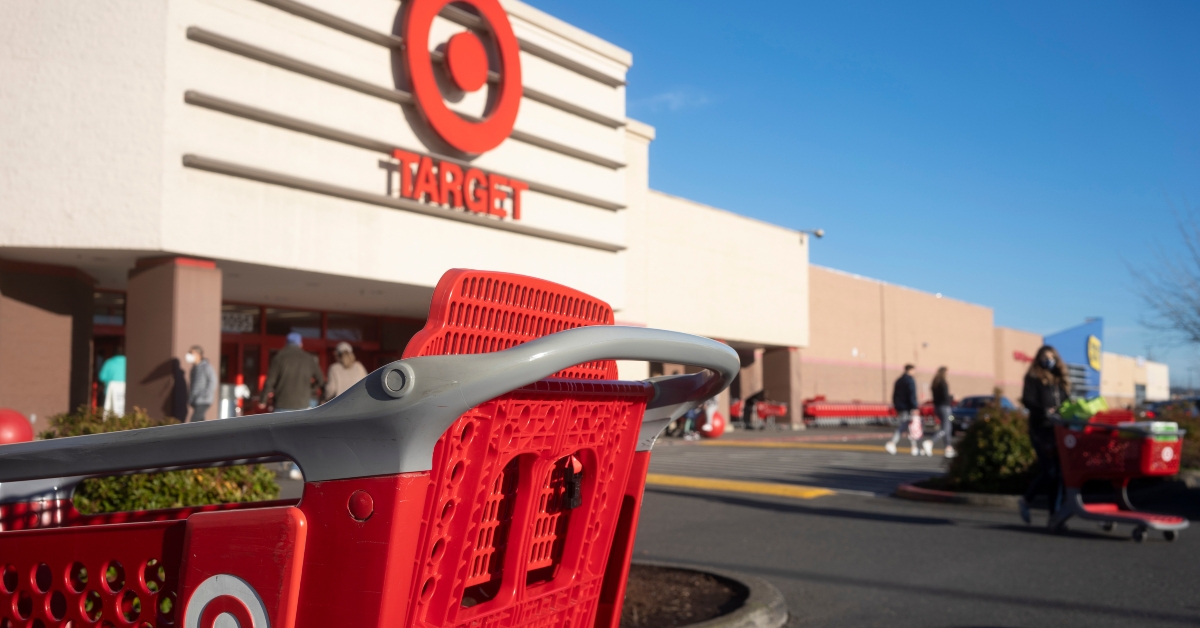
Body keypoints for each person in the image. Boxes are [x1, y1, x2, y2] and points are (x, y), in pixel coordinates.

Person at [1019, 345, 1071, 525]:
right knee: (1050, 471)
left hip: (1058, 429)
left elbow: (1066, 401)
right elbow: (1027, 400)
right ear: (1038, 359)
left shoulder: (1059, 379)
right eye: (1044, 357)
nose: (1047, 360)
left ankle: (1054, 516)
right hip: (1041, 429)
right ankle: (1027, 500)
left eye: (1051, 356)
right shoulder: (1033, 377)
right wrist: (1044, 411)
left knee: (1058, 473)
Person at [261, 332, 325, 411]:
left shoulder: (279, 358)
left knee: (283, 424)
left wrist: (263, 400)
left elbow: (270, 381)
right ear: (300, 344)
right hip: (303, 403)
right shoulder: (308, 359)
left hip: (283, 403)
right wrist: (310, 389)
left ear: (286, 343)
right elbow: (320, 380)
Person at [886, 364, 921, 456]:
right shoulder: (910, 380)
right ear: (910, 370)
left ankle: (914, 447)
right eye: (914, 370)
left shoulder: (899, 380)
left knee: (909, 426)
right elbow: (912, 395)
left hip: (900, 406)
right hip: (908, 407)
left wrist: (896, 406)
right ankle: (892, 443)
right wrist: (914, 407)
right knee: (905, 425)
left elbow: (894, 395)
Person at [924, 366, 956, 458]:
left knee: (947, 427)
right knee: (946, 428)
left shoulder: (935, 383)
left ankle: (948, 447)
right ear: (944, 373)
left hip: (937, 407)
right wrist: (952, 398)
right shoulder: (943, 383)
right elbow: (945, 396)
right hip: (945, 407)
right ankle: (930, 442)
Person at [186, 345, 217, 422]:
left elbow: (213, 381)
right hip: (195, 401)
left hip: (204, 400)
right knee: (200, 422)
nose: (189, 354)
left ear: (199, 354)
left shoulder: (206, 367)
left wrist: (205, 395)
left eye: (191, 352)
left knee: (194, 421)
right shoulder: (194, 369)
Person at [98, 351, 126, 417]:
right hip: (126, 392)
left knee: (110, 412)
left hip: (110, 391)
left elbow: (102, 377)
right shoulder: (128, 362)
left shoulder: (109, 362)